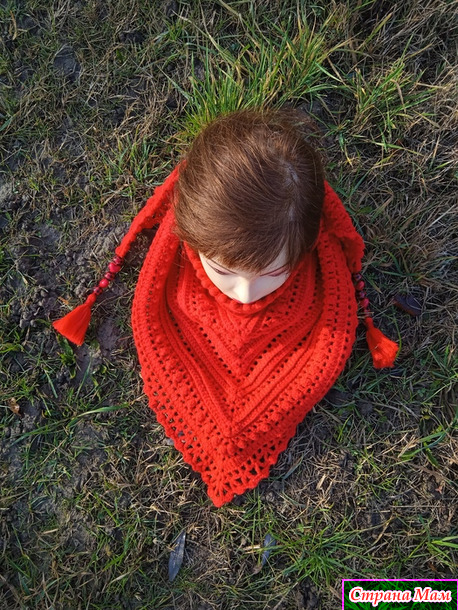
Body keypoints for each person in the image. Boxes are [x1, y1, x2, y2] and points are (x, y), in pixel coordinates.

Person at [54, 108, 398, 507]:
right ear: (189, 234)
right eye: (222, 270)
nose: (246, 294)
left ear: (309, 243)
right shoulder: (165, 288)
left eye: (274, 273)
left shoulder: (322, 299)